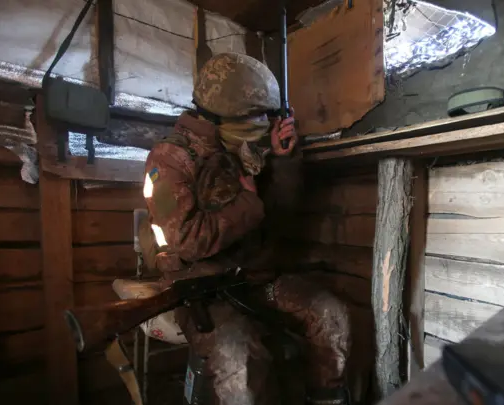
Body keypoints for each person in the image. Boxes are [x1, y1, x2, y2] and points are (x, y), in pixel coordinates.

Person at [142, 52, 351, 405]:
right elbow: (189, 243)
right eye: (255, 115)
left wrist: (283, 162)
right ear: (220, 112)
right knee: (239, 357)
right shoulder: (168, 160)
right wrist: (247, 204)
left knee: (330, 315)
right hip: (200, 286)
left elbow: (278, 218)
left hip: (252, 277)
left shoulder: (240, 145)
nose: (262, 123)